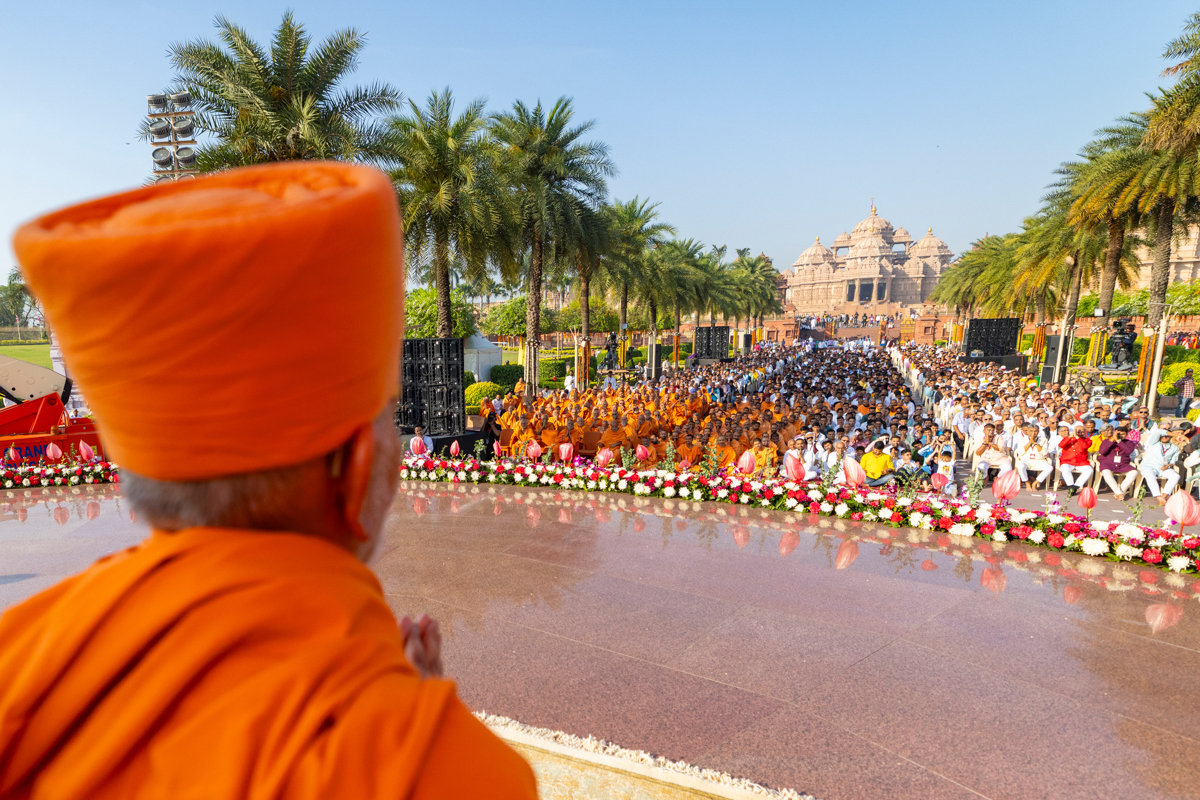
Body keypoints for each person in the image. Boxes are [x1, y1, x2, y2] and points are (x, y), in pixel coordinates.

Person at [0, 163, 536, 798]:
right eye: (387, 414)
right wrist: (407, 732)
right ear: (358, 472)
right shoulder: (447, 775)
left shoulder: (20, 657)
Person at [1139, 424, 1183, 504]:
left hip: (1164, 468)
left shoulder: (1175, 448)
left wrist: (1168, 466)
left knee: (1176, 476)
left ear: (1170, 437)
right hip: (1149, 466)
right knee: (1150, 475)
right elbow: (1159, 431)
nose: (1164, 437)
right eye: (1163, 436)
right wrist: (1175, 434)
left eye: (1166, 436)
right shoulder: (1154, 443)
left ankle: (1164, 496)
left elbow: (1173, 461)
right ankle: (1158, 496)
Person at [1097, 425, 1138, 501]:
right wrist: (1111, 441)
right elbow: (1102, 451)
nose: (1120, 435)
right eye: (1119, 433)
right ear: (1114, 433)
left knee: (1134, 472)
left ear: (1126, 434)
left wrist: (1119, 441)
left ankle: (1119, 492)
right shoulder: (1106, 441)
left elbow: (1128, 451)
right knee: (1105, 471)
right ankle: (1119, 492)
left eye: (1123, 434)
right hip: (1108, 463)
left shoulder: (1129, 443)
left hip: (1122, 464)